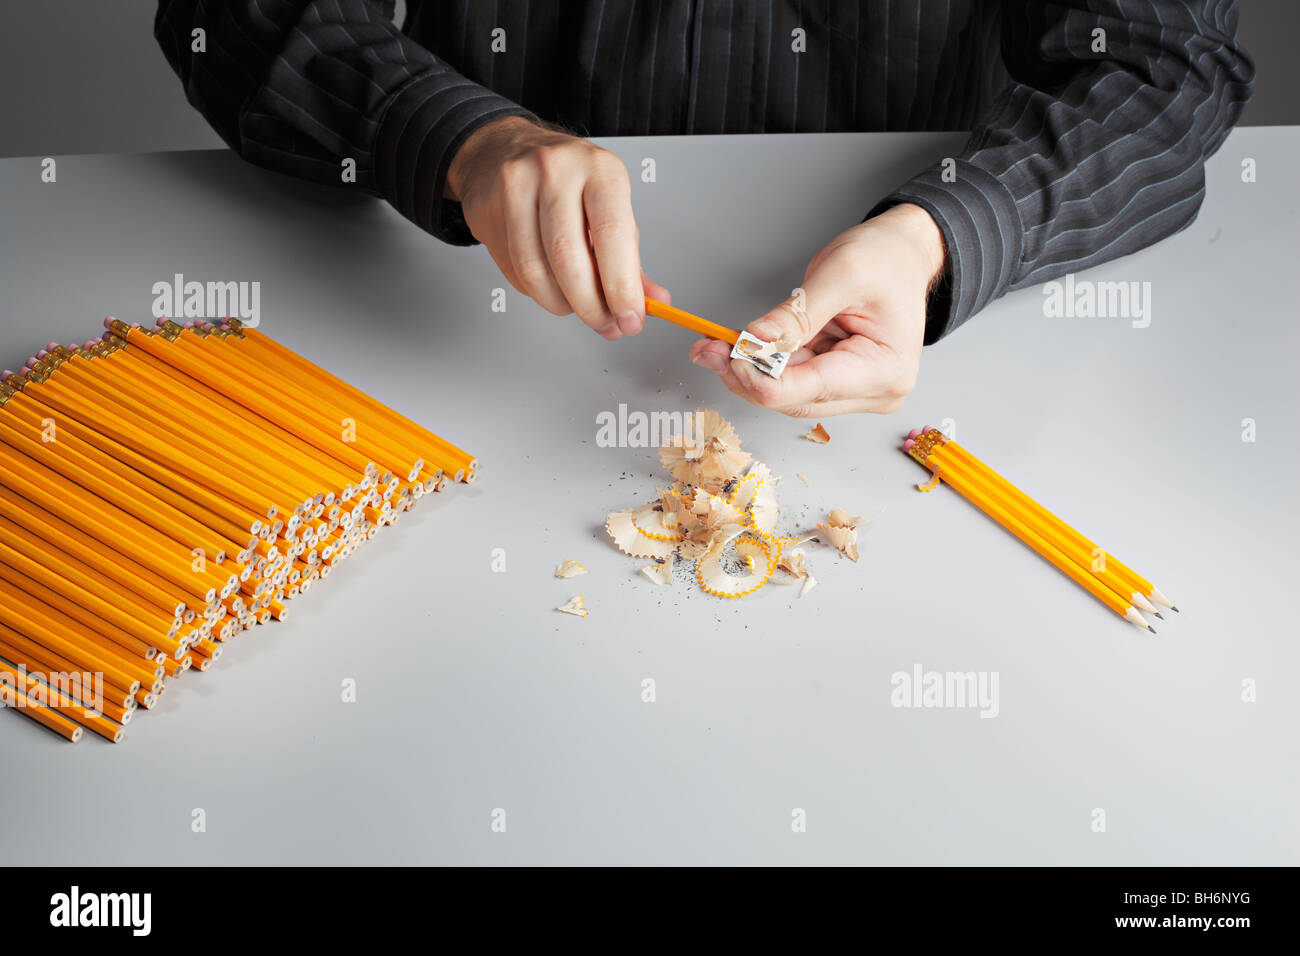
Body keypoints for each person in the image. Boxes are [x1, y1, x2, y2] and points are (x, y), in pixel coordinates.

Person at [156, 1, 1252, 417]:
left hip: (926, 353)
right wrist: (455, 135)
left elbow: (1163, 68)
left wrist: (941, 237)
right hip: (462, 337)